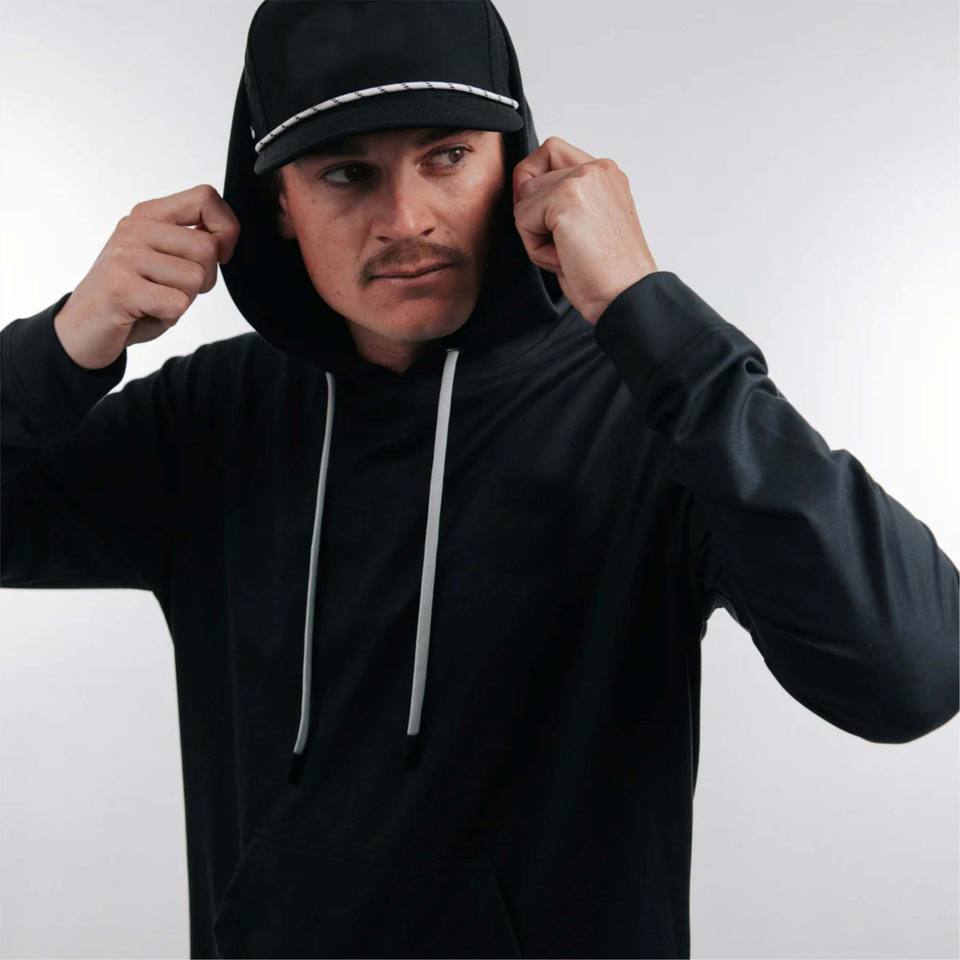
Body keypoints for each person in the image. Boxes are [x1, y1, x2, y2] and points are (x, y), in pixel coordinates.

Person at [2, 1, 957, 957]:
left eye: (448, 155)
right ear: (278, 204)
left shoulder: (654, 409)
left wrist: (647, 309)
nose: (406, 220)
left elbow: (914, 672)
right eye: (346, 173)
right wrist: (60, 351)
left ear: (518, 165)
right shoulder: (210, 418)